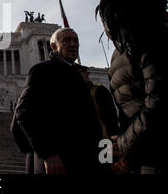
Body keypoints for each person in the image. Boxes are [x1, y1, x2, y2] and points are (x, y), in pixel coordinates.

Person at [96, 0, 168, 174]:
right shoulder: (156, 43)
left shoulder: (119, 55)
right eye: (161, 10)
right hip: (160, 155)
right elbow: (162, 103)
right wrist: (125, 152)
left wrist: (126, 151)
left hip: (143, 153)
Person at [13, 28, 106, 174]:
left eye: (76, 40)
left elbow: (93, 125)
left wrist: (106, 158)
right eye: (66, 40)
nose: (73, 44)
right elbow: (23, 114)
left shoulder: (76, 76)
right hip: (57, 164)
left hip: (83, 161)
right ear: (53, 47)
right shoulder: (42, 71)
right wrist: (46, 154)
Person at [75, 65, 119, 140]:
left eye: (80, 74)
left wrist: (114, 135)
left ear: (87, 75)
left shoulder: (98, 90)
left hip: (104, 138)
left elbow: (111, 115)